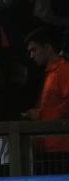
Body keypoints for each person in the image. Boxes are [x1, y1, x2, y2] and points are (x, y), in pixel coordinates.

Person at [24, 27, 69, 163]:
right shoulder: (50, 73)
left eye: (34, 49)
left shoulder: (63, 70)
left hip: (62, 148)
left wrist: (41, 114)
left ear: (48, 48)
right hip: (51, 146)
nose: (32, 55)